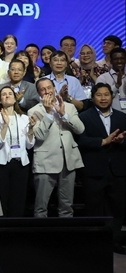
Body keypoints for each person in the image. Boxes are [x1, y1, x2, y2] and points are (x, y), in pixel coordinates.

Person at [77, 83, 126, 254]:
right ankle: (95, 244)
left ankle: (115, 242)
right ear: (93, 97)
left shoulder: (122, 117)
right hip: (93, 170)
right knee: (93, 208)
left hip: (118, 170)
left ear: (112, 97)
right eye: (99, 95)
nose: (103, 98)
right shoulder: (84, 117)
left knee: (117, 209)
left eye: (106, 94)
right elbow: (79, 141)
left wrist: (122, 141)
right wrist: (102, 141)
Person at [28, 78, 84, 217]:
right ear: (39, 93)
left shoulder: (69, 107)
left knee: (67, 206)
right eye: (43, 89)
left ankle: (66, 231)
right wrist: (48, 113)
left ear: (54, 88)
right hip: (45, 161)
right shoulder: (33, 111)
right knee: (41, 207)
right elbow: (39, 136)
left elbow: (80, 129)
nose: (47, 91)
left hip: (68, 160)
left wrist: (64, 114)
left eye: (49, 88)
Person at [0, 85, 35, 217]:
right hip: (1, 163)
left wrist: (31, 129)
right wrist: (5, 125)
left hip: (21, 163)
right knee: (1, 198)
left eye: (10, 94)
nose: (7, 96)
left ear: (15, 99)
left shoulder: (24, 118)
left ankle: (16, 226)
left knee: (18, 199)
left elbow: (29, 145)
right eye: (4, 94)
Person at [96, 47, 126, 113]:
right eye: (116, 59)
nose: (119, 61)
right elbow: (99, 98)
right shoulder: (103, 78)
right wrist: (116, 86)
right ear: (111, 61)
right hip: (112, 116)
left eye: (122, 58)